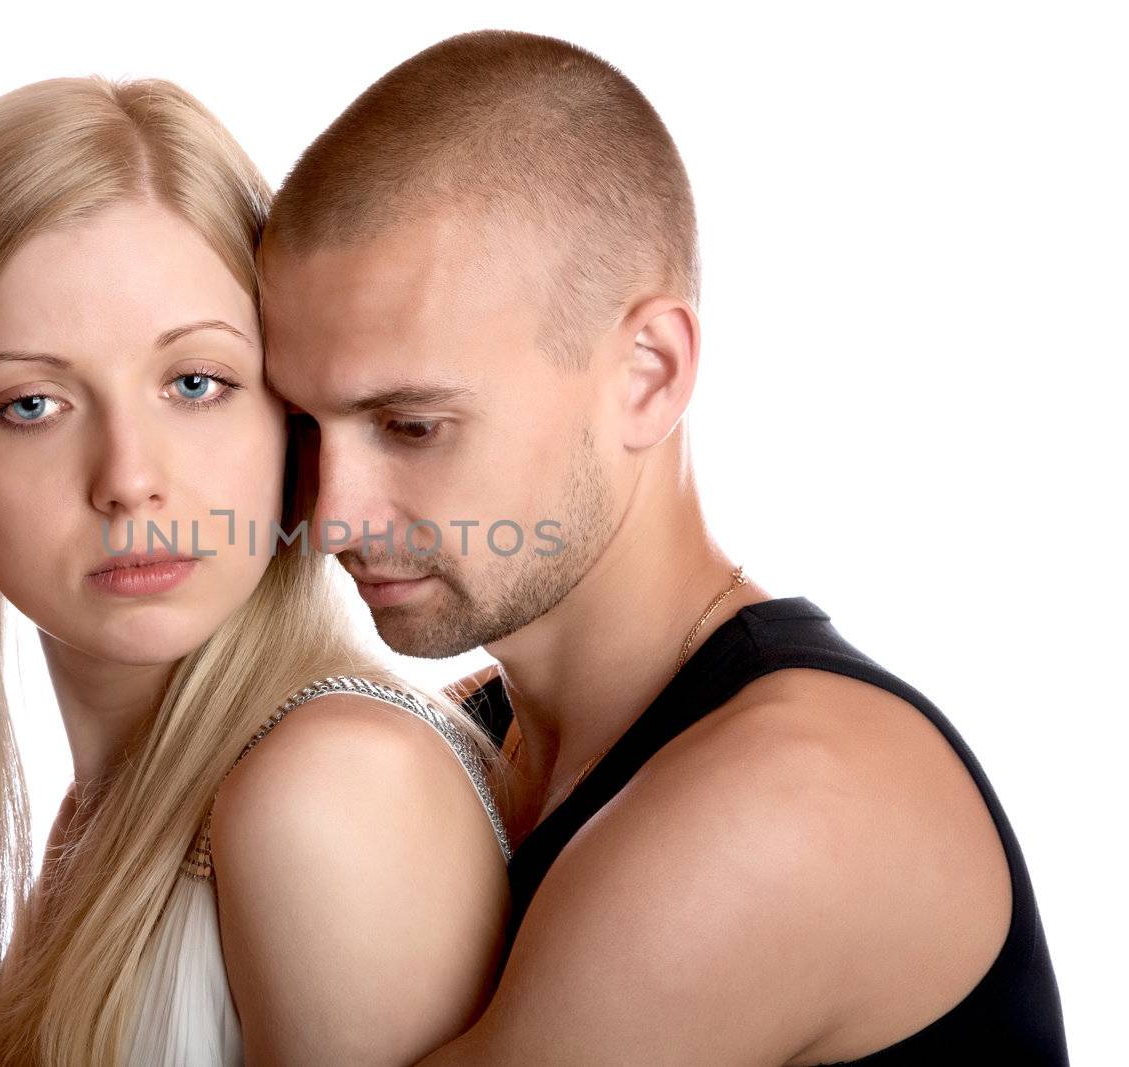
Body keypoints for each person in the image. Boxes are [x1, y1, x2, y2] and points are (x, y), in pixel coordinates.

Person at [258, 30, 1069, 1065]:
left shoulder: (790, 799)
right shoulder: (472, 736)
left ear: (648, 372)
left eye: (412, 425)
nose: (332, 516)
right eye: (302, 427)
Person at [0, 75, 512, 1066]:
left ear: (289, 407)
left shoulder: (329, 789)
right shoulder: (108, 818)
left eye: (195, 382)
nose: (128, 481)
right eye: (32, 404)